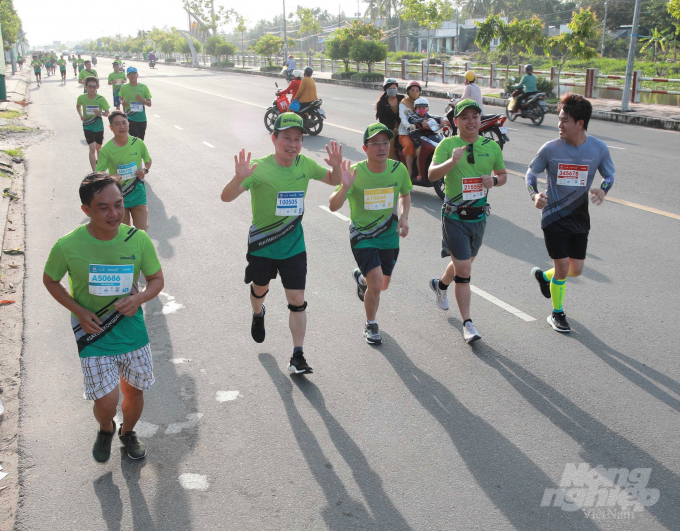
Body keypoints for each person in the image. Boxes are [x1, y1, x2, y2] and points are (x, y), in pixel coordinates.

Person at [43, 172, 164, 463]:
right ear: (86, 210)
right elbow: (50, 280)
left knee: (134, 395)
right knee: (107, 401)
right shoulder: (67, 245)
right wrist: (79, 311)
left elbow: (157, 279)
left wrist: (138, 298)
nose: (115, 213)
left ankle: (128, 433)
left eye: (119, 205)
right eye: (104, 207)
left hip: (132, 331)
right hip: (93, 334)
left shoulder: (138, 240)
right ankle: (106, 428)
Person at [220, 113, 343, 375]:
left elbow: (334, 180)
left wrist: (336, 167)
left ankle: (298, 355)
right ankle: (257, 312)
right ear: (274, 138)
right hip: (263, 244)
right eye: (286, 137)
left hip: (293, 246)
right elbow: (226, 197)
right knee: (260, 289)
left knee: (297, 300)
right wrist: (238, 178)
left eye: (297, 139)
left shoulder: (305, 165)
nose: (293, 144)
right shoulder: (259, 168)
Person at [527, 93, 615, 333]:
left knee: (575, 269)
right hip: (553, 216)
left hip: (579, 217)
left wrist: (604, 190)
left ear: (580, 124)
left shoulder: (598, 148)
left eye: (565, 120)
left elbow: (609, 176)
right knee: (563, 268)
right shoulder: (550, 149)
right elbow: (530, 175)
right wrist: (535, 195)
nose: (559, 124)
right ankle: (557, 313)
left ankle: (545, 278)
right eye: (559, 119)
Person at [428, 99, 508, 344]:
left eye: (475, 116)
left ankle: (440, 285)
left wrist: (493, 182)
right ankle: (468, 324)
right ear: (456, 121)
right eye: (465, 117)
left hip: (479, 216)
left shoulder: (491, 146)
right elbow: (432, 174)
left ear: (479, 120)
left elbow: (502, 175)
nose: (471, 121)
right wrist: (452, 161)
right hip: (454, 216)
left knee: (464, 263)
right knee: (464, 270)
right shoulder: (448, 144)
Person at [328, 123, 412, 344]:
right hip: (362, 236)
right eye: (375, 143)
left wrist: (403, 216)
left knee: (382, 284)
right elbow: (333, 206)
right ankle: (371, 324)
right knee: (376, 284)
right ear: (365, 148)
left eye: (385, 142)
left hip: (389, 236)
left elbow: (404, 195)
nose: (382, 147)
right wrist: (345, 187)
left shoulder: (398, 169)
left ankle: (361, 279)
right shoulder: (356, 172)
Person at [96, 111, 153, 231]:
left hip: (138, 193)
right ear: (111, 128)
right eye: (117, 124)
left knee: (142, 230)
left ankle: (139, 250)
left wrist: (145, 170)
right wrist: (111, 178)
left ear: (128, 124)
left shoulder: (138, 143)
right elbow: (98, 174)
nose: (121, 126)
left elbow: (148, 160)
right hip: (119, 197)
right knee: (125, 233)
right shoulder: (106, 150)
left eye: (124, 123)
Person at [76, 77, 111, 171]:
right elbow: (78, 106)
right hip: (87, 126)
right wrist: (81, 115)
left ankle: (100, 168)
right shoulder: (81, 98)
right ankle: (94, 171)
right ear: (86, 87)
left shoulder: (101, 99)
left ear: (97, 87)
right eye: (90, 86)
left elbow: (108, 113)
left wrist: (99, 113)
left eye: (94, 87)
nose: (92, 89)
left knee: (99, 148)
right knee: (92, 147)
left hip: (98, 127)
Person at [119, 67, 152, 141]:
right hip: (130, 117)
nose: (132, 76)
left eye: (134, 74)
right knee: (135, 137)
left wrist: (141, 99)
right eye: (130, 74)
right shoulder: (124, 87)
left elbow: (149, 103)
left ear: (137, 75)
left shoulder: (143, 87)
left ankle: (138, 152)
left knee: (140, 139)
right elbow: (120, 98)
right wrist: (122, 103)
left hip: (142, 118)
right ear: (127, 76)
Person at [397, 80, 421, 179]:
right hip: (405, 133)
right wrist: (409, 126)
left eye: (417, 90)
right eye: (412, 90)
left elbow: (426, 114)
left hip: (418, 131)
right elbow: (403, 118)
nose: (415, 92)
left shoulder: (421, 101)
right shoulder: (403, 103)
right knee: (409, 145)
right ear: (408, 91)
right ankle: (409, 172)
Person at [375, 78, 404, 159]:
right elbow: (382, 120)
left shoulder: (402, 99)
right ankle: (389, 159)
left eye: (394, 87)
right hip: (389, 127)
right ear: (386, 90)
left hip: (403, 125)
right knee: (391, 137)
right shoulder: (382, 103)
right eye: (390, 88)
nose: (392, 90)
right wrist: (393, 128)